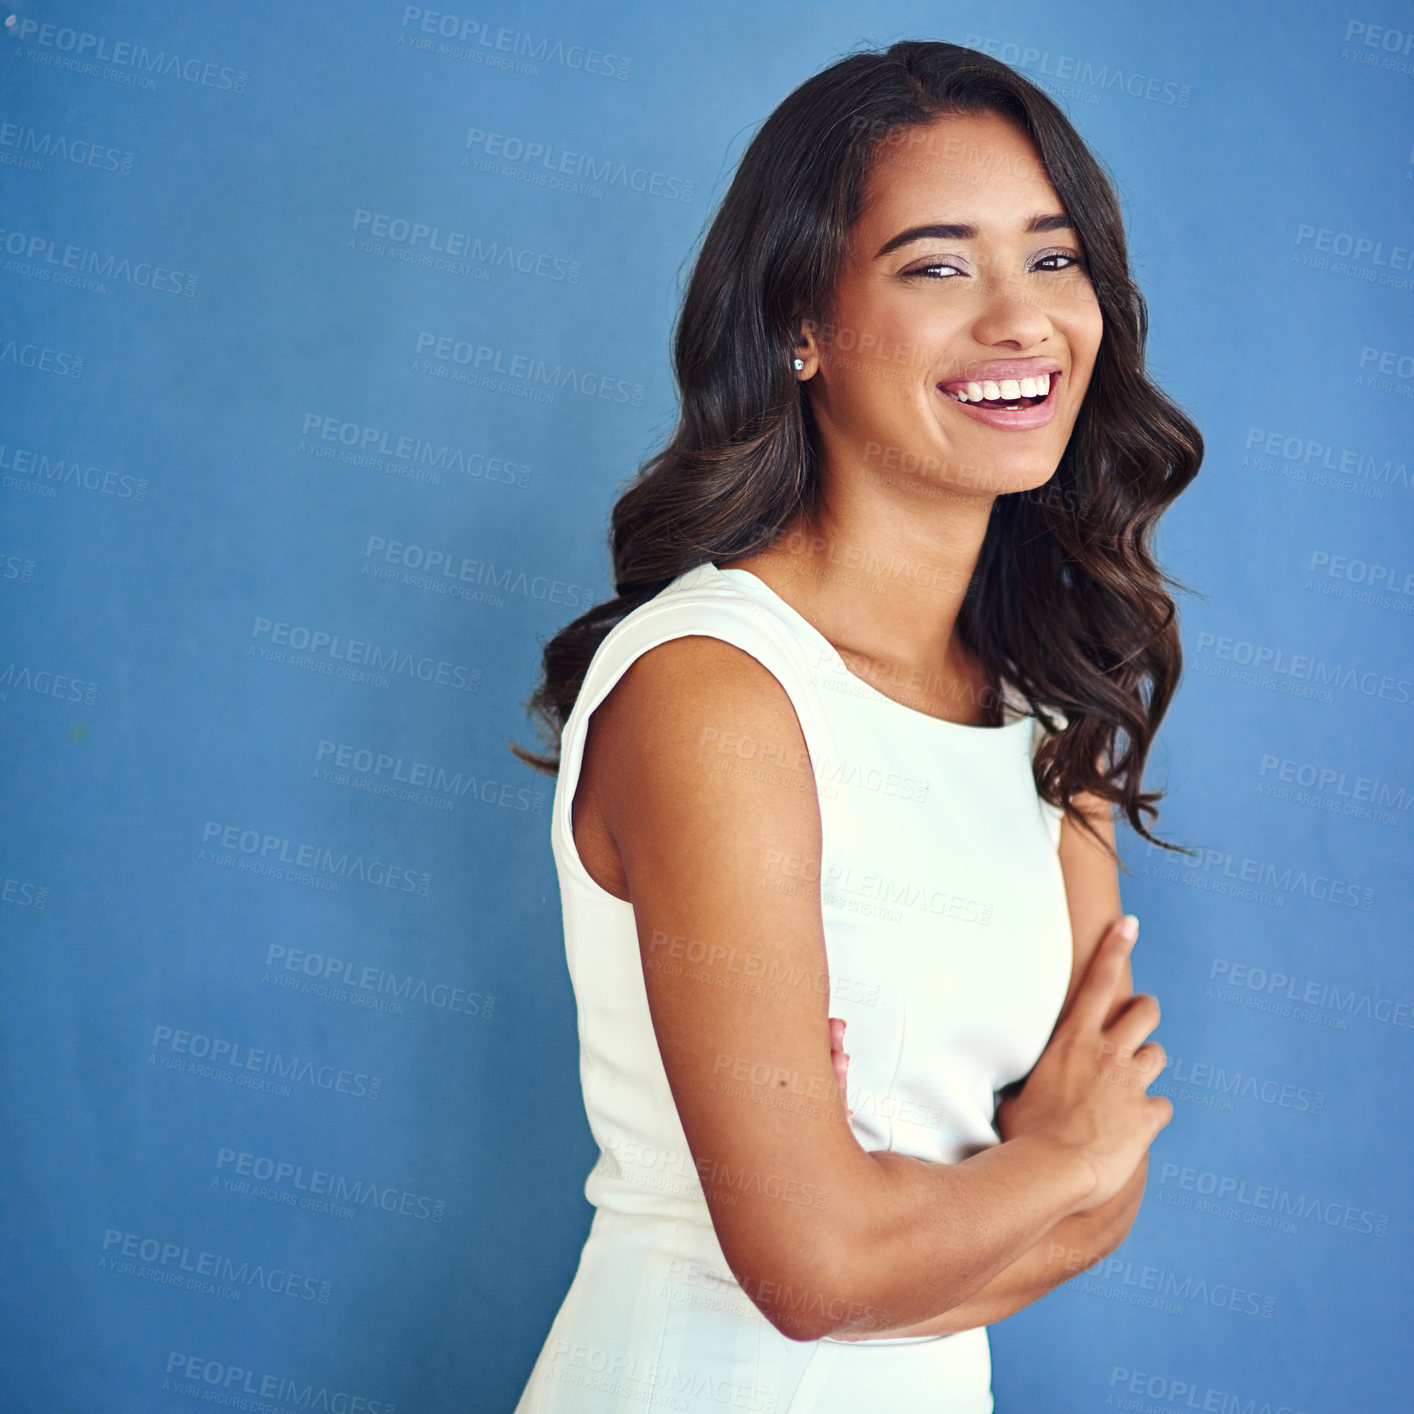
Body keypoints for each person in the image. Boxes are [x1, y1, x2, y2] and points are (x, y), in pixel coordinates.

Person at [508, 37, 1202, 1414]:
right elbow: (812, 1268)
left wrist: (933, 1210)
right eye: (937, 266)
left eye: (1052, 260)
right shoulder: (714, 686)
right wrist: (1046, 1158)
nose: (1018, 322)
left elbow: (1104, 1207)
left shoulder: (1041, 709)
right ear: (797, 326)